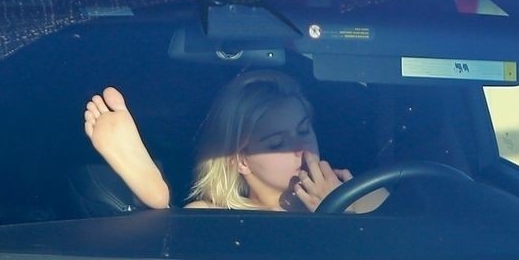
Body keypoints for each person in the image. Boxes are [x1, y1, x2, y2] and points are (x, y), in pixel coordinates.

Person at [82, 70, 381, 212]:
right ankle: (156, 204)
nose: (300, 149)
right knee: (180, 226)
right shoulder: (213, 216)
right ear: (240, 160)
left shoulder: (364, 195)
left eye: (304, 131)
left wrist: (341, 209)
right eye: (277, 144)